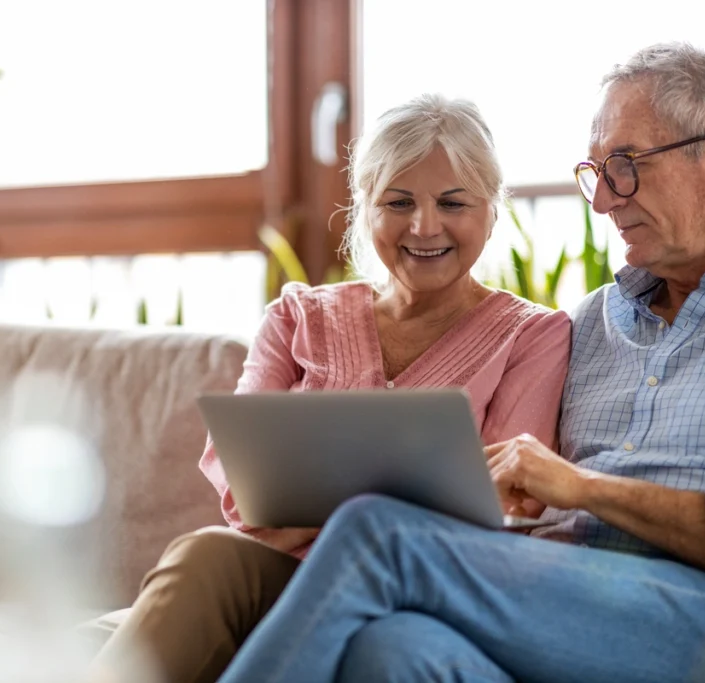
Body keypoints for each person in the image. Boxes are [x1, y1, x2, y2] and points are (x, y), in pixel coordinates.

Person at [216, 33, 705, 683]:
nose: (601, 199)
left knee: (378, 531)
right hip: (552, 596)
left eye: (626, 164)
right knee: (392, 649)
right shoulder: (592, 321)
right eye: (596, 171)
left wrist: (581, 487)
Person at [93, 93, 571, 683]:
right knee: (208, 552)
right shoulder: (297, 316)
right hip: (283, 576)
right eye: (398, 202)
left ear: (493, 212)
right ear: (363, 210)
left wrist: (322, 517)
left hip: (415, 596)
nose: (424, 226)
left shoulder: (534, 335)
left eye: (453, 202)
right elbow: (246, 489)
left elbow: (498, 505)